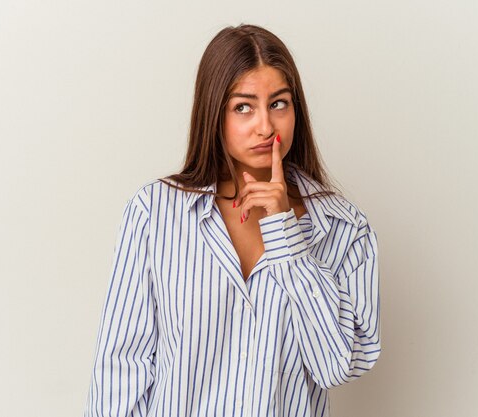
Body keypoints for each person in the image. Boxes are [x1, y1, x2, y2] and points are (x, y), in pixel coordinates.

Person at [83, 23, 380, 417]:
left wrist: (286, 235)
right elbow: (121, 367)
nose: (265, 127)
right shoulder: (154, 213)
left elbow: (337, 366)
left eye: (279, 104)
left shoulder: (345, 229)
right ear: (214, 113)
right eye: (243, 107)